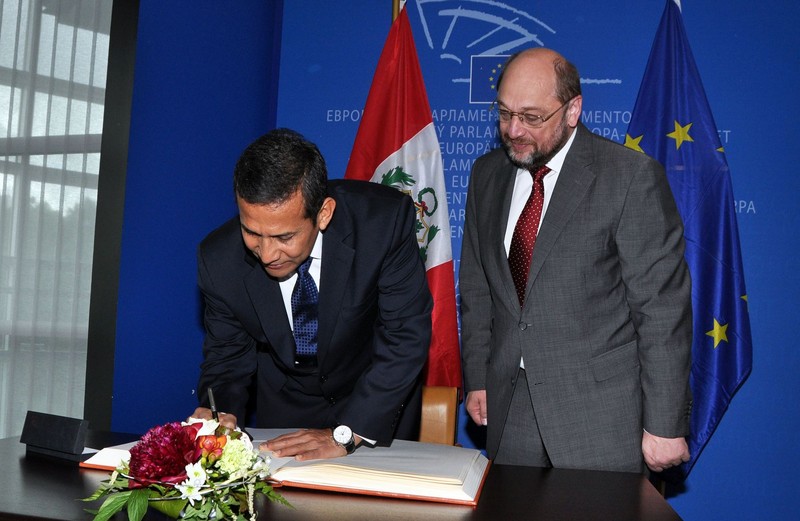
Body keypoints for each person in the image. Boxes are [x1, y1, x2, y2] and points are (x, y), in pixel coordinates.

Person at [459, 48, 692, 473]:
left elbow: (660, 309)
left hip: (601, 415)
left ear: (572, 110)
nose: (513, 129)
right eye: (505, 113)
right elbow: (477, 287)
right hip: (510, 409)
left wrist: (664, 423)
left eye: (531, 117)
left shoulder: (628, 177)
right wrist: (477, 376)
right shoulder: (486, 174)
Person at [191, 128, 432, 461]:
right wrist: (221, 413)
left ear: (323, 214)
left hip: (375, 410)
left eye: (284, 236)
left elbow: (404, 337)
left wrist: (347, 432)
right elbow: (227, 357)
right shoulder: (219, 260)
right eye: (252, 232)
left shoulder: (382, 223)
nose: (267, 253)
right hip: (286, 418)